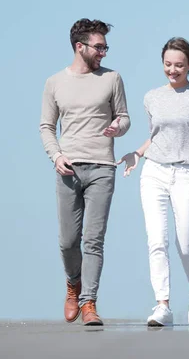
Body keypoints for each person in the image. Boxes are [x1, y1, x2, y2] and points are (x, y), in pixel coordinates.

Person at [117, 38, 189, 327]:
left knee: (186, 245)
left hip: (187, 173)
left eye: (179, 65)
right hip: (154, 172)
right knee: (156, 241)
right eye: (168, 64)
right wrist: (137, 152)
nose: (173, 70)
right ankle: (163, 305)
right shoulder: (151, 97)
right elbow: (158, 135)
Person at [40, 18, 131, 326]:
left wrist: (119, 127)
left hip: (103, 168)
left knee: (93, 240)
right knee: (68, 241)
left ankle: (89, 302)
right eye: (99, 47)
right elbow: (46, 127)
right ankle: (72, 283)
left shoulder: (112, 78)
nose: (103, 52)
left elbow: (124, 117)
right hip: (68, 170)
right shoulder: (55, 82)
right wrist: (56, 156)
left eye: (106, 47)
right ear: (80, 47)